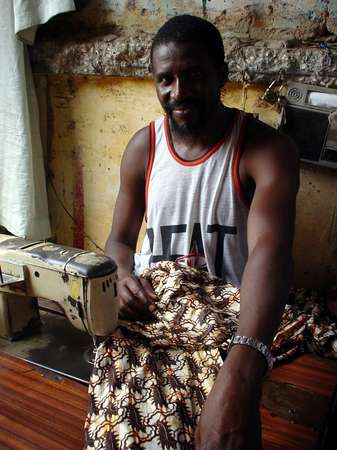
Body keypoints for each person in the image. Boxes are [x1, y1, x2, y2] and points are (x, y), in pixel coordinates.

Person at [105, 14, 299, 450]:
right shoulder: (144, 148)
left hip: (230, 319)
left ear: (222, 75)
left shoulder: (264, 150)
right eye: (166, 79)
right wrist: (120, 275)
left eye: (193, 75)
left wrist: (243, 362)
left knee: (227, 422)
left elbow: (272, 249)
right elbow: (119, 241)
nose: (179, 92)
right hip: (157, 310)